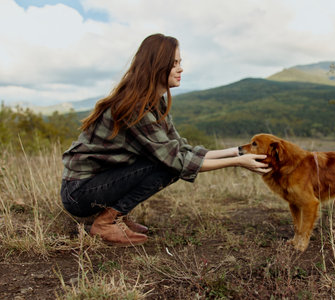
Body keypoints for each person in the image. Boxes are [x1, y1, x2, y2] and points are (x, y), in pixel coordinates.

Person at [60, 33, 270, 246]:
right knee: (166, 166)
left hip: (97, 184)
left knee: (167, 160)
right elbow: (177, 161)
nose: (181, 69)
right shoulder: (135, 108)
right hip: (79, 193)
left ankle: (116, 216)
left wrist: (237, 152)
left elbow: (181, 149)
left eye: (180, 63)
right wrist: (237, 162)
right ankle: (106, 223)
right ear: (157, 66)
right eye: (174, 64)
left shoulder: (155, 103)